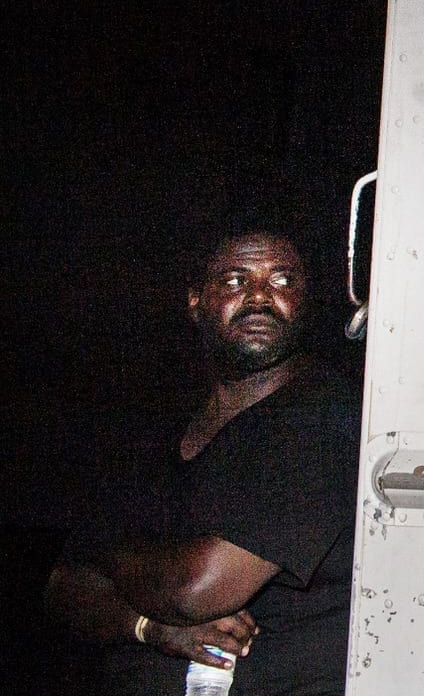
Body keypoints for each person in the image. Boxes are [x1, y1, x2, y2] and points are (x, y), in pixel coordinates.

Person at [44, 223, 361, 696]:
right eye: (235, 280)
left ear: (305, 301)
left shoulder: (328, 418)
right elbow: (62, 591)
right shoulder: (160, 425)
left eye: (282, 281)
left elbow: (198, 588)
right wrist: (147, 626)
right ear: (195, 301)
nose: (259, 298)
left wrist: (107, 560)